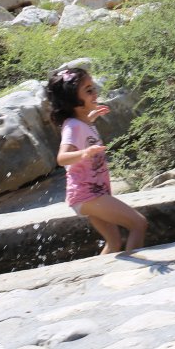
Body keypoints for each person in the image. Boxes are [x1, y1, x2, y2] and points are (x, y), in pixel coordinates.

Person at [46, 67, 148, 255]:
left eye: (93, 88)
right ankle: (136, 271)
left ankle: (100, 270)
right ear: (73, 100)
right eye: (88, 90)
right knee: (138, 223)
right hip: (88, 195)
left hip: (93, 193)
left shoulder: (81, 123)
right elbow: (62, 158)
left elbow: (83, 132)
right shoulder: (73, 126)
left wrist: (91, 118)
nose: (95, 93)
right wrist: (84, 153)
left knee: (114, 241)